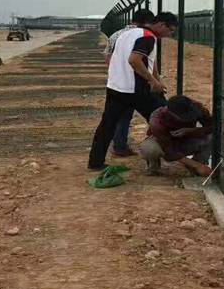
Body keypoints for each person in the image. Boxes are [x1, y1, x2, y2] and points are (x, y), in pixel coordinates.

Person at [87, 12, 178, 171]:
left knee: (107, 125)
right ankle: (171, 155)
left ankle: (95, 162)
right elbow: (134, 60)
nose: (169, 34)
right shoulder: (147, 37)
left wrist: (157, 78)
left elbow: (149, 60)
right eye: (170, 30)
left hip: (115, 86)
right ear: (161, 24)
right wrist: (152, 81)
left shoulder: (126, 34)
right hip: (136, 89)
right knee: (164, 119)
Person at [103, 9, 155, 157]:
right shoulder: (144, 35)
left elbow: (107, 56)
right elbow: (141, 59)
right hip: (134, 82)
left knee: (118, 116)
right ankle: (156, 143)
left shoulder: (117, 34)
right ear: (148, 22)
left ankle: (118, 145)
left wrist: (115, 71)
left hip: (116, 81)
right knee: (148, 112)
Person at [139, 94, 213, 177]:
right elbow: (169, 151)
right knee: (151, 149)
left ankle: (197, 166)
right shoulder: (157, 120)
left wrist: (190, 131)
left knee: (212, 137)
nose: (188, 118)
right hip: (163, 144)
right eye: (183, 116)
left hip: (186, 140)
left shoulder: (197, 108)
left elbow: (211, 127)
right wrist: (197, 165)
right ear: (171, 113)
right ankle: (154, 167)